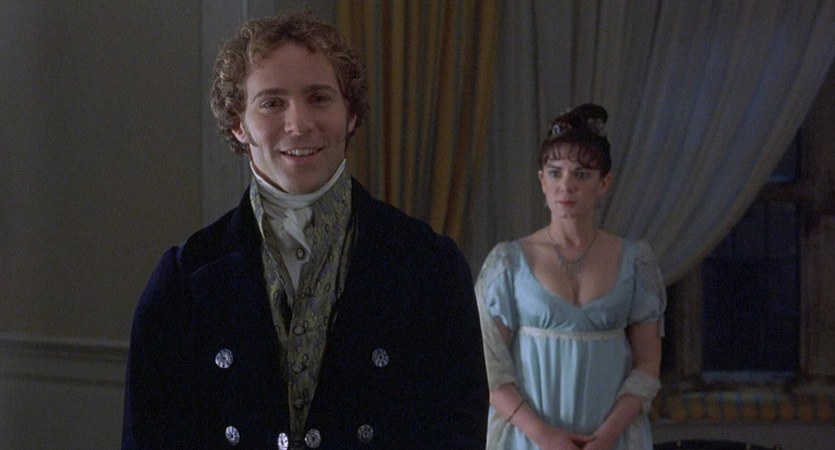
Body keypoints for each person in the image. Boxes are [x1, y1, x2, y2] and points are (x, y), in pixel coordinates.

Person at [122, 12, 488, 449]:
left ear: (351, 114)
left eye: (319, 98)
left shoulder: (429, 267)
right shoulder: (183, 281)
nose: (298, 124)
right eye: (271, 103)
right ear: (238, 124)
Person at [476, 104, 666, 450]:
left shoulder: (635, 261)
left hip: (610, 440)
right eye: (555, 173)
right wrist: (544, 436)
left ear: (603, 183)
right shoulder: (509, 263)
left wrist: (607, 435)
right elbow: (488, 367)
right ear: (542, 180)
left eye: (581, 174)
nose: (566, 186)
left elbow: (647, 364)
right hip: (528, 439)